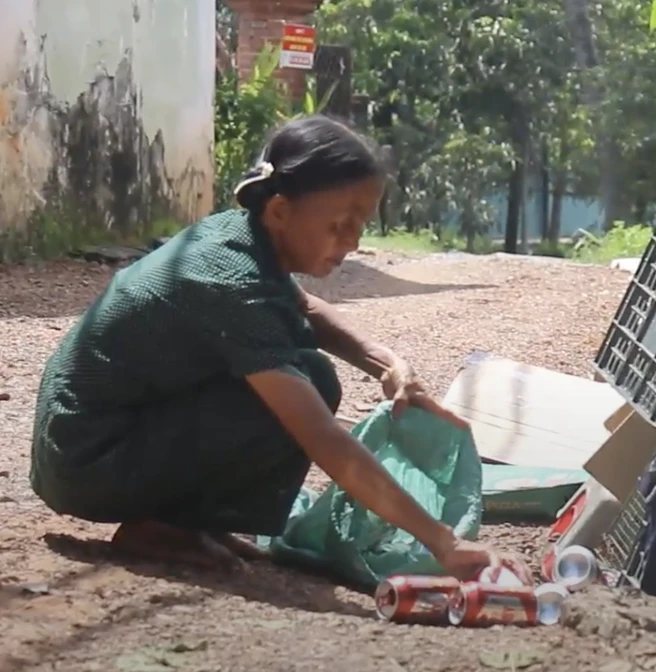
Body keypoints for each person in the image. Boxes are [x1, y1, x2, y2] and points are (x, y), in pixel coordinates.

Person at [30, 115, 529, 583]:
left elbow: (304, 306)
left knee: (311, 374)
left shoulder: (239, 233)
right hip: (88, 462)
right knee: (300, 389)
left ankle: (188, 518)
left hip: (88, 441)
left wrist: (389, 365)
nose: (353, 241)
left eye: (361, 225)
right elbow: (321, 437)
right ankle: (162, 526)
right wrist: (444, 543)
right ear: (280, 210)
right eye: (339, 224)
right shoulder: (230, 280)